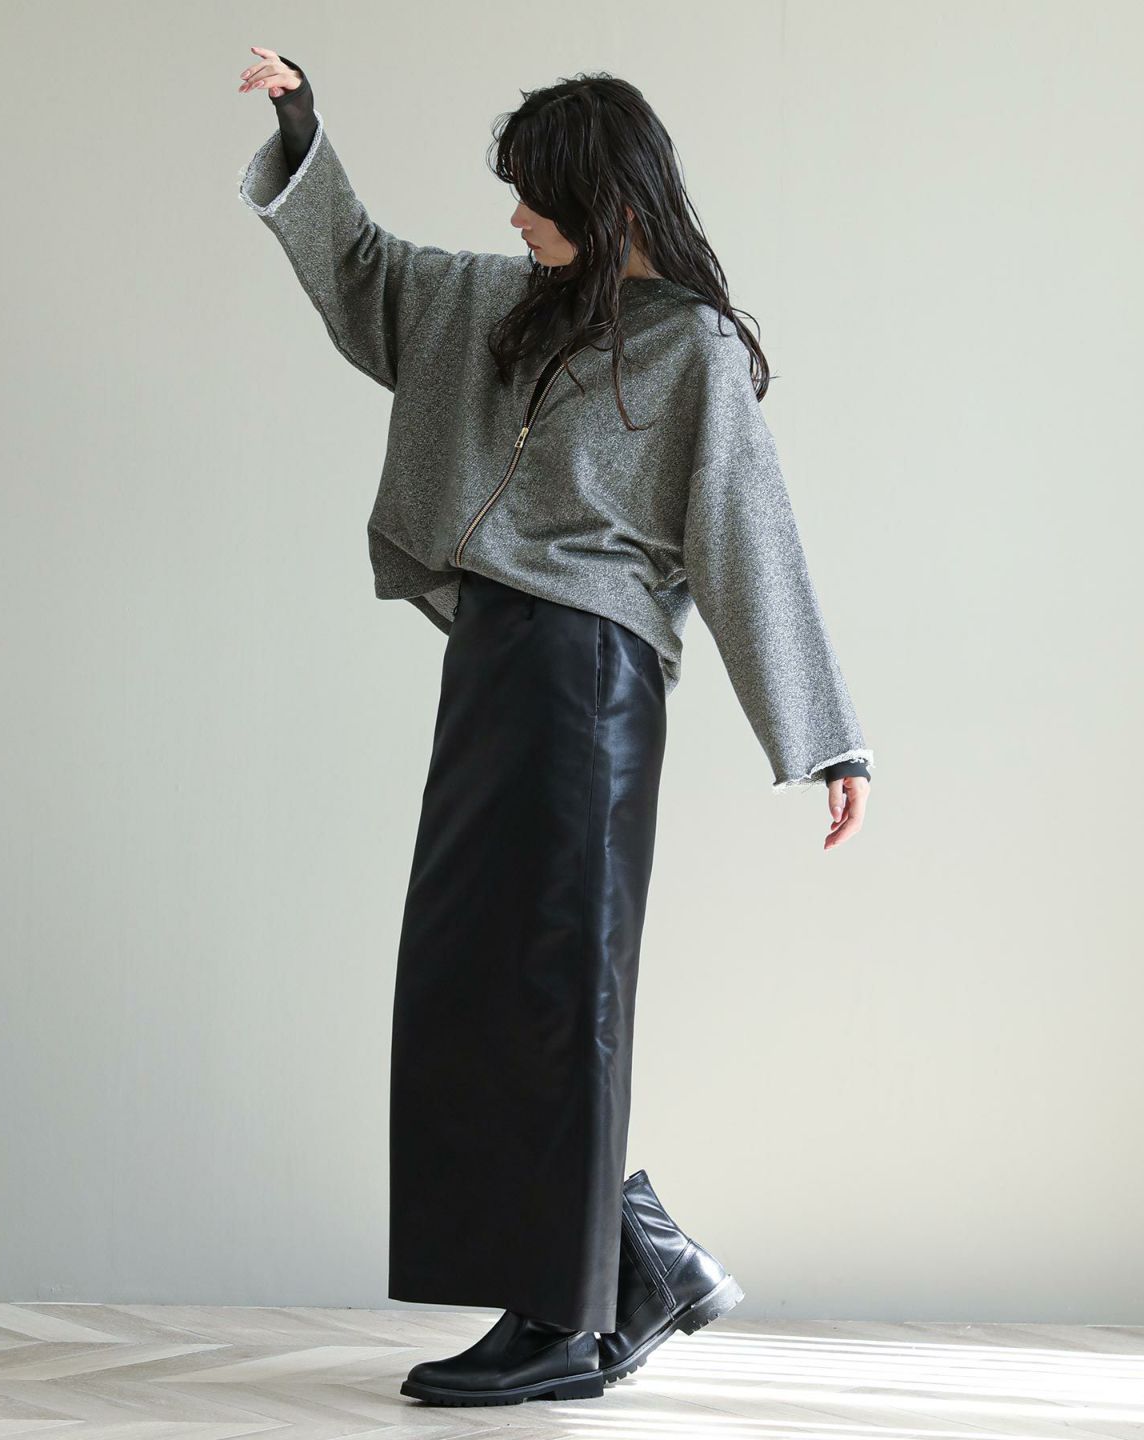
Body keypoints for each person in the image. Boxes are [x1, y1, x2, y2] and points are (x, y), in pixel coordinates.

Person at [236, 45, 873, 1407]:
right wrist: (303, 132)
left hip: (590, 680)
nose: (515, 215)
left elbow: (747, 536)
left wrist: (824, 735)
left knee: (555, 989)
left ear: (608, 198)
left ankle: (565, 1319)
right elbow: (363, 271)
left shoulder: (690, 347)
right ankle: (635, 1261)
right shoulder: (492, 305)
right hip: (494, 668)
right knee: (471, 986)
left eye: (535, 192)